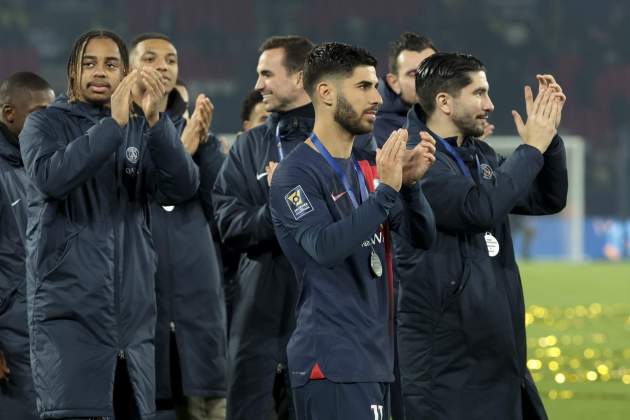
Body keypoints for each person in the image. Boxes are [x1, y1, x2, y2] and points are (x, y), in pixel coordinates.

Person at [19, 29, 199, 419]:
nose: (100, 72)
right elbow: (53, 177)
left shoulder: (140, 127)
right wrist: (114, 125)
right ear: (72, 72)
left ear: (125, 73)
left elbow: (182, 187)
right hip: (69, 322)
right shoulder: (44, 125)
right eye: (90, 63)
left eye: (111, 64)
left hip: (133, 329)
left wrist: (155, 122)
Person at [269, 42, 436, 419]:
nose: (376, 97)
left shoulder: (367, 165)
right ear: (326, 93)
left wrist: (410, 186)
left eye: (375, 86)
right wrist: (387, 192)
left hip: (376, 358)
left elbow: (423, 237)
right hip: (331, 363)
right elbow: (323, 247)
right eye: (363, 87)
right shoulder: (296, 174)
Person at [397, 52, 568, 419]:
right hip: (446, 368)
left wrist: (548, 142)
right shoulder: (417, 159)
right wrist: (530, 149)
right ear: (444, 101)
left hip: (495, 359)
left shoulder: (480, 155)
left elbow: (546, 198)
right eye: (479, 93)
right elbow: (478, 210)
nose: (490, 104)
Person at [212, 35, 314, 420]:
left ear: (301, 77)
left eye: (266, 74)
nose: (258, 85)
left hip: (326, 313)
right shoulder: (250, 146)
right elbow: (228, 221)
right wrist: (278, 212)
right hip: (258, 315)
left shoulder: (342, 141)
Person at [129, 32, 227, 420]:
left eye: (170, 60)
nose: (162, 67)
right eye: (151, 58)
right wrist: (179, 150)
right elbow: (136, 194)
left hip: (196, 302)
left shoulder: (202, 135)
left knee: (204, 405)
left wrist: (201, 148)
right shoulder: (117, 131)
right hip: (141, 303)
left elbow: (219, 209)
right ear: (129, 68)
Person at [0, 71, 54, 420]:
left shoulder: (44, 164)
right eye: (39, 113)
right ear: (9, 113)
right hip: (12, 337)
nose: (49, 122)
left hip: (46, 331)